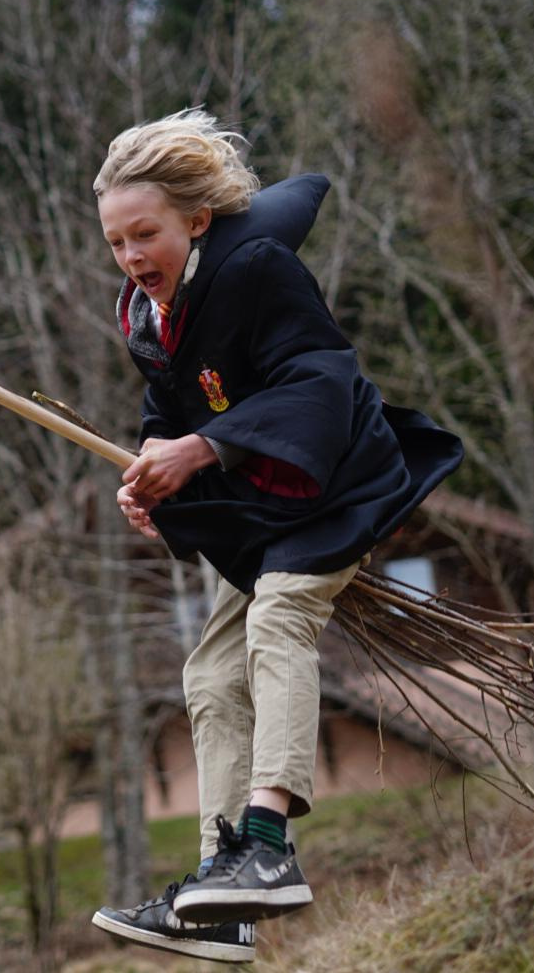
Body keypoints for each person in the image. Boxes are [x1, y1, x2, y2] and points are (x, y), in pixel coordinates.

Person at [87, 110, 463, 964]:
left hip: (336, 479)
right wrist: (155, 480)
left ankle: (267, 847)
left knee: (278, 621)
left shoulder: (260, 269)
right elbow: (169, 414)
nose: (132, 257)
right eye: (115, 243)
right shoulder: (147, 317)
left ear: (196, 220)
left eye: (145, 234)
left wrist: (206, 447)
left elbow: (320, 381)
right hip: (261, 505)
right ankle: (225, 896)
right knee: (210, 672)